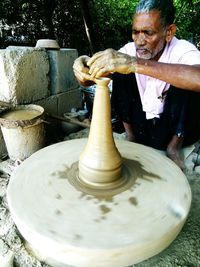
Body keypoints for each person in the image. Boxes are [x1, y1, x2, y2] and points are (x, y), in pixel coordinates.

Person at [73, 0, 200, 170]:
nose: (140, 41)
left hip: (174, 129)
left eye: (148, 33)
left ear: (169, 32)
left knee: (186, 78)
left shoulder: (182, 50)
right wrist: (83, 68)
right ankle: (130, 137)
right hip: (143, 130)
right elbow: (89, 80)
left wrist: (134, 64)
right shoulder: (129, 50)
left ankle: (174, 147)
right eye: (135, 32)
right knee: (119, 68)